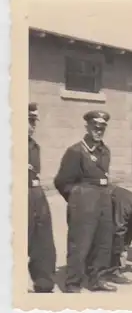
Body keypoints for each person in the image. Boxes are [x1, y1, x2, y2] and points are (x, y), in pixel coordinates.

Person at [54, 110, 116, 292]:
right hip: (83, 201)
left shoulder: (105, 150)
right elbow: (61, 181)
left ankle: (97, 279)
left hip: (103, 198)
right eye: (95, 127)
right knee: (80, 243)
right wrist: (77, 198)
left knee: (103, 241)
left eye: (102, 128)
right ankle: (73, 283)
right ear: (87, 127)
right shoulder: (76, 151)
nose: (99, 131)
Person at [28, 103, 57, 293]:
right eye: (29, 121)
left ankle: (44, 281)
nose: (33, 126)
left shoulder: (33, 145)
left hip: (36, 194)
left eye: (33, 122)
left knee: (44, 241)